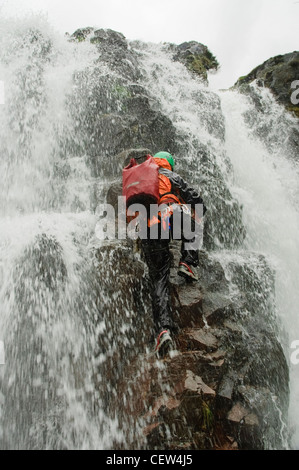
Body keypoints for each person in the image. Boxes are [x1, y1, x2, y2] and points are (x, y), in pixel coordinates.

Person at [138, 151, 207, 357]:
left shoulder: (145, 176)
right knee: (194, 224)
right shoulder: (170, 175)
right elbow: (196, 199)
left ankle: (163, 330)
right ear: (169, 163)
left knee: (159, 279)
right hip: (171, 215)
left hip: (148, 228)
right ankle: (187, 262)